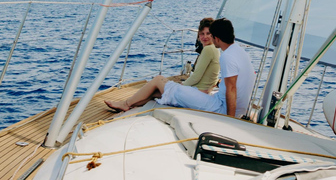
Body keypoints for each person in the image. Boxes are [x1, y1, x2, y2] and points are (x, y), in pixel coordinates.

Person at [106, 18, 255, 118]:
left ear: (217, 37)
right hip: (226, 105)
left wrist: (229, 121)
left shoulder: (227, 56)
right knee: (159, 91)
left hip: (219, 108)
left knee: (159, 80)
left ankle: (126, 104)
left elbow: (231, 89)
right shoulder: (241, 52)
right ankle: (129, 104)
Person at [182, 17, 220, 92]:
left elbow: (196, 77)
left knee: (158, 80)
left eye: (208, 33)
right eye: (202, 34)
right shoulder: (215, 49)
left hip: (198, 91)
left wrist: (182, 86)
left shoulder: (208, 49)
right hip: (203, 90)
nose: (205, 37)